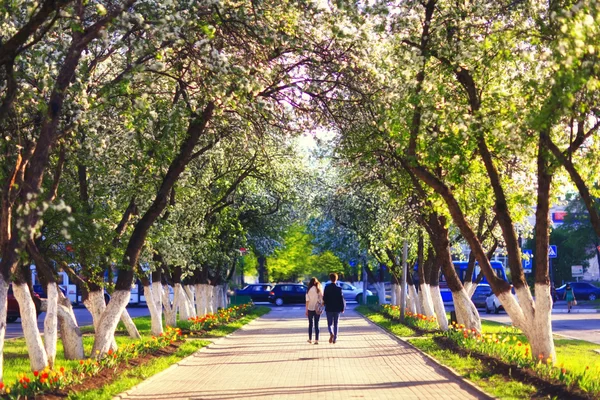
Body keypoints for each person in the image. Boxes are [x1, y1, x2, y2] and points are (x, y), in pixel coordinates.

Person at [323, 272, 345, 344]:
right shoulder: (339, 289)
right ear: (336, 279)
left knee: (329, 323)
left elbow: (324, 298)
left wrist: (325, 303)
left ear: (330, 279)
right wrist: (342, 308)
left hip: (329, 308)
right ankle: (335, 338)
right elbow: (341, 299)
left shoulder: (327, 288)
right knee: (336, 323)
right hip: (337, 309)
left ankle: (331, 332)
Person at [305, 277, 323, 344]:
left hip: (310, 308)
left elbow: (307, 301)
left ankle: (310, 339)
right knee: (317, 324)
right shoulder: (319, 289)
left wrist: (306, 310)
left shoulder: (308, 290)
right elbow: (322, 299)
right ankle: (316, 340)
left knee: (310, 324)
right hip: (317, 309)